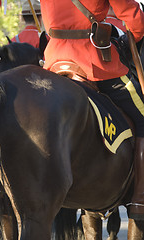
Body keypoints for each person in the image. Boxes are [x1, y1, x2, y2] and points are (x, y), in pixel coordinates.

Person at [40, 0, 144, 220]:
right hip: (95, 62)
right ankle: (140, 197)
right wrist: (132, 36)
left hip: (54, 61)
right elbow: (134, 19)